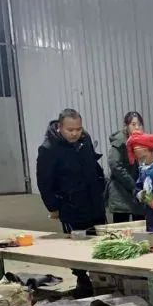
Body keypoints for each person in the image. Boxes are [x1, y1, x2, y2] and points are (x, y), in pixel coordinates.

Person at [36, 108, 106, 296]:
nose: (75, 133)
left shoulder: (85, 140)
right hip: (70, 205)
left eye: (78, 129)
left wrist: (101, 188)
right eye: (70, 130)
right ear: (60, 128)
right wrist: (53, 207)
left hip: (94, 201)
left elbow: (93, 166)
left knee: (100, 241)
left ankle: (102, 279)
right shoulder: (49, 149)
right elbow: (44, 182)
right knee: (77, 245)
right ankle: (82, 281)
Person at [106, 111, 146, 223]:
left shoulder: (140, 141)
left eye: (140, 125)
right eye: (133, 124)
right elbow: (115, 165)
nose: (137, 127)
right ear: (126, 126)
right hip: (121, 191)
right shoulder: (120, 142)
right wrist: (132, 184)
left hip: (136, 191)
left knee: (140, 225)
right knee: (121, 227)